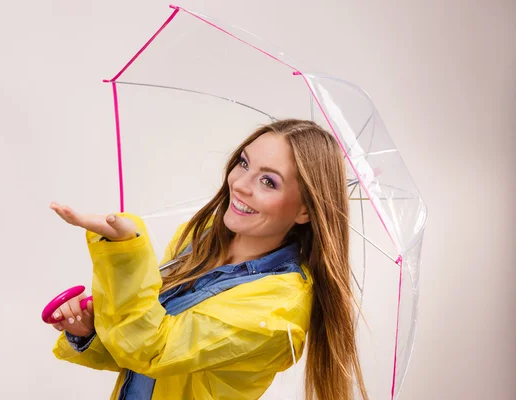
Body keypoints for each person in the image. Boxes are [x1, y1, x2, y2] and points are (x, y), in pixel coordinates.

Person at [48, 119, 368, 400]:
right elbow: (130, 353)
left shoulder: (276, 312)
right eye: (244, 163)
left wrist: (125, 250)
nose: (239, 184)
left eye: (268, 181)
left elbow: (152, 349)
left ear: (305, 210)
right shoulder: (197, 240)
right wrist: (89, 332)